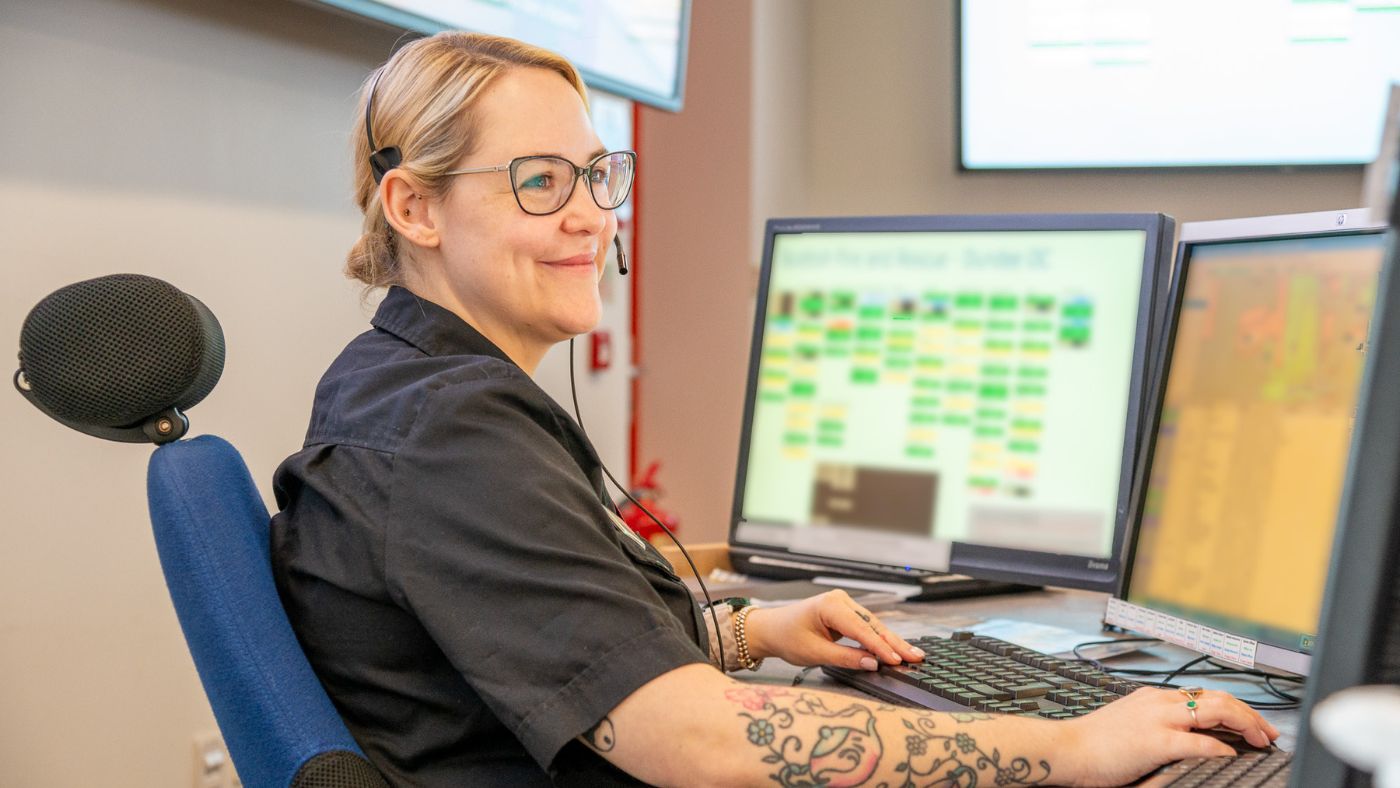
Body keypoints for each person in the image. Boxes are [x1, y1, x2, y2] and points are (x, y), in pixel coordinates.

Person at [270, 31, 1279, 787]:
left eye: (594, 174)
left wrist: (753, 629)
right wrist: (1068, 744)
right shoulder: (448, 433)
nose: (588, 213)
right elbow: (695, 738)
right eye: (539, 182)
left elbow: (533, 645)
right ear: (413, 207)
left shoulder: (407, 385)